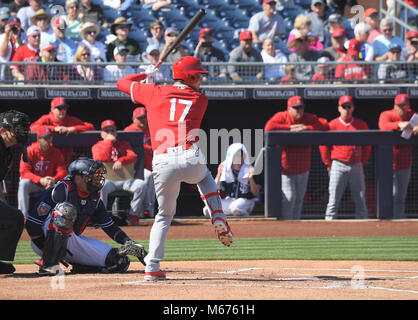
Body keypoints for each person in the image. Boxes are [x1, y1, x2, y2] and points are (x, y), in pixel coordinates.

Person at [116, 56, 233, 281]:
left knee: (164, 215)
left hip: (162, 161)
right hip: (190, 156)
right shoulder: (200, 99)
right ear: (189, 76)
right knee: (205, 177)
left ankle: (151, 266)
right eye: (197, 75)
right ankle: (216, 213)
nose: (200, 78)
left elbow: (122, 82)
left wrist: (145, 76)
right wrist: (151, 83)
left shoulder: (154, 92)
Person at [25, 158, 146, 275]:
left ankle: (81, 265)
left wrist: (130, 243)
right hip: (43, 239)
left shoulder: (94, 198)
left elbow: (110, 227)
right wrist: (46, 250)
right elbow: (32, 224)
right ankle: (48, 263)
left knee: (119, 262)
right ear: (78, 178)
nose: (97, 181)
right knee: (66, 210)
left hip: (71, 241)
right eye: (93, 177)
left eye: (98, 177)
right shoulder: (62, 189)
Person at [264, 95, 328, 219]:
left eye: (301, 107)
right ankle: (286, 223)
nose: (299, 110)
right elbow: (268, 127)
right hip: (286, 169)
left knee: (298, 200)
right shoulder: (282, 116)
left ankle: (295, 226)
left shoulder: (307, 118)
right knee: (289, 198)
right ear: (289, 108)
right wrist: (289, 128)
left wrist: (306, 127)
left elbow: (324, 125)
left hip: (303, 168)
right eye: (296, 108)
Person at [319, 95, 371, 220]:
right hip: (338, 163)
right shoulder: (332, 125)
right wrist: (328, 164)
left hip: (356, 164)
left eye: (349, 106)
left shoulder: (360, 124)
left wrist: (362, 162)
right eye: (344, 107)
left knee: (360, 199)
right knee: (333, 200)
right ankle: (329, 227)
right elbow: (324, 146)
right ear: (339, 108)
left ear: (353, 108)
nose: (346, 109)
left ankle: (363, 229)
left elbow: (367, 146)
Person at [92, 120, 148, 226]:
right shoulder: (97, 146)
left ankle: (133, 215)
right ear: (102, 133)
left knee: (141, 185)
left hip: (125, 179)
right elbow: (99, 157)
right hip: (108, 180)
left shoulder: (124, 144)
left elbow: (133, 157)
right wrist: (108, 143)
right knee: (101, 185)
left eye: (112, 130)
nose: (110, 133)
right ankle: (101, 216)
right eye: (106, 131)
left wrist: (121, 161)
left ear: (116, 132)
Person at [0, 109, 30, 274]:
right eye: (18, 129)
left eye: (24, 128)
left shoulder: (8, 150)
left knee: (14, 217)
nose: (23, 132)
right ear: (3, 130)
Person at [378, 94, 418, 219]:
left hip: (405, 163)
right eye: (400, 106)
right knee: (392, 194)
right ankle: (387, 219)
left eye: (405, 106)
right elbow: (383, 126)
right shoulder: (387, 114)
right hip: (389, 163)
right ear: (395, 106)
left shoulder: (413, 115)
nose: (403, 108)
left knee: (401, 196)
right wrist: (399, 124)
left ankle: (399, 221)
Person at [30, 97, 95, 167]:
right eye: (59, 108)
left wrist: (73, 128)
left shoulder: (70, 120)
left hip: (66, 160)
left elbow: (91, 127)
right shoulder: (46, 119)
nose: (62, 111)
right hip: (48, 161)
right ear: (52, 109)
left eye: (64, 108)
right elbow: (32, 128)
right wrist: (54, 129)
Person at [18, 126, 67, 218]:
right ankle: (23, 217)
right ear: (39, 139)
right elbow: (24, 172)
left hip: (50, 184)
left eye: (49, 138)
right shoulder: (29, 151)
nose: (48, 141)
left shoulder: (56, 152)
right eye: (45, 138)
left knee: (63, 185)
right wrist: (40, 180)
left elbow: (63, 171)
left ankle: (60, 217)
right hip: (35, 184)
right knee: (23, 183)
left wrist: (54, 179)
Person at [204, 143, 260, 217]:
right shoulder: (226, 170)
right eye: (236, 156)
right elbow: (214, 189)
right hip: (230, 200)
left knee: (236, 208)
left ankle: (237, 214)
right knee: (208, 208)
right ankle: (227, 213)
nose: (239, 159)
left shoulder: (250, 169)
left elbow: (256, 194)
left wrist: (251, 179)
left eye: (241, 156)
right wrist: (219, 174)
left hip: (246, 201)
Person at [124, 106, 155, 217]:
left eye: (144, 117)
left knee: (151, 177)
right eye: (140, 118)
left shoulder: (152, 129)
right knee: (147, 177)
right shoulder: (129, 130)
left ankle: (149, 211)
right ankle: (144, 210)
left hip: (150, 166)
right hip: (134, 169)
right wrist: (147, 148)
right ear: (134, 119)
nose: (142, 120)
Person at [0, 16, 24, 82]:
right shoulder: (2, 37)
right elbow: (3, 54)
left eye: (17, 26)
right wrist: (7, 35)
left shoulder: (24, 36)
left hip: (19, 68)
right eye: (12, 26)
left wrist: (18, 39)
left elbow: (25, 53)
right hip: (5, 68)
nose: (14, 28)